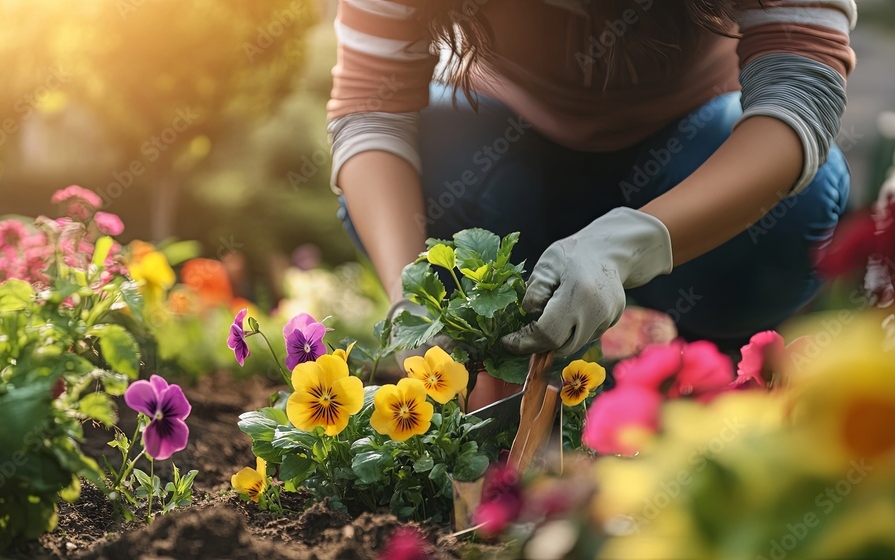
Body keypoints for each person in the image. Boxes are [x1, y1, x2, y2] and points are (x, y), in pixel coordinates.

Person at [327, 0, 856, 407]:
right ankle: (499, 374)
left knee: (801, 203)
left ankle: (710, 361)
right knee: (435, 143)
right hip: (507, 167)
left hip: (690, 171)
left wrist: (636, 242)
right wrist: (411, 295)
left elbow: (798, 96)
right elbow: (371, 108)